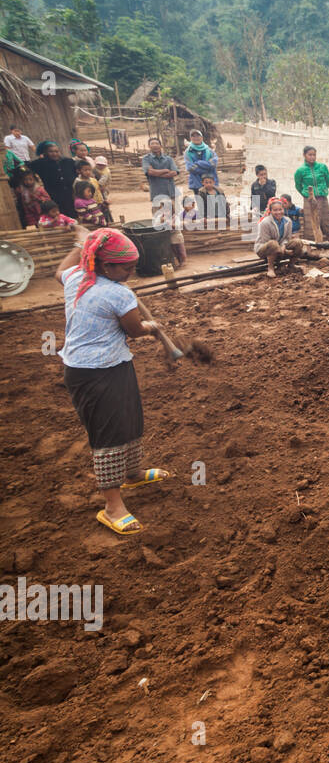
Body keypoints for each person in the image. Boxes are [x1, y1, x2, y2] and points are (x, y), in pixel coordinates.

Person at [55, 229, 172, 535]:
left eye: (133, 266)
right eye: (126, 268)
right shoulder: (119, 294)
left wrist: (81, 244)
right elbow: (135, 330)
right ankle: (112, 507)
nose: (131, 272)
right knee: (108, 437)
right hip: (94, 373)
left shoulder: (76, 278)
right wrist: (153, 327)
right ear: (105, 266)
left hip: (112, 364)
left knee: (130, 421)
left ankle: (132, 474)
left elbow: (60, 272)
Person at [253, 196, 306, 277]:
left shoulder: (287, 221)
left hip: (280, 248)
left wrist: (284, 246)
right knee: (273, 243)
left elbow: (287, 238)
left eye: (280, 209)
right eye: (275, 210)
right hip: (264, 249)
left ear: (283, 209)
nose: (278, 212)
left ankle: (291, 265)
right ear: (270, 211)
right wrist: (283, 251)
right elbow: (266, 241)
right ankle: (270, 268)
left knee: (298, 242)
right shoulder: (265, 223)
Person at [294, 145, 329, 239]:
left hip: (322, 197)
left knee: (325, 219)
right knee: (311, 221)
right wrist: (306, 194)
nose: (312, 157)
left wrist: (322, 190)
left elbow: (328, 181)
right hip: (309, 199)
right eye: (310, 155)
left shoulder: (322, 167)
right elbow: (298, 185)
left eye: (314, 155)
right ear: (304, 155)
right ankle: (312, 244)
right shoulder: (300, 170)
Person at [30, 141, 79, 218]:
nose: (54, 154)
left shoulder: (68, 161)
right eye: (51, 151)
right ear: (45, 153)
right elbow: (26, 168)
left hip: (69, 193)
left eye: (56, 151)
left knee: (72, 213)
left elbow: (77, 172)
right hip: (53, 195)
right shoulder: (40, 163)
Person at [141, 137, 179, 222]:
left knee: (172, 216)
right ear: (149, 146)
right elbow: (149, 172)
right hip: (156, 192)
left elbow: (175, 172)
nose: (155, 145)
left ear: (160, 145)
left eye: (157, 143)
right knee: (157, 216)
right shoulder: (146, 159)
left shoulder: (168, 159)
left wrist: (156, 173)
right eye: (152, 143)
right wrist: (165, 170)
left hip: (170, 191)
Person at [76, 159, 113, 224]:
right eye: (85, 170)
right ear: (78, 171)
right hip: (90, 210)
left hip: (96, 204)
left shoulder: (93, 180)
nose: (88, 172)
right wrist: (99, 221)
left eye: (89, 170)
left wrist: (104, 203)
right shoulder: (78, 182)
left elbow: (98, 191)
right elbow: (87, 216)